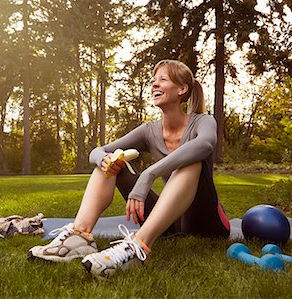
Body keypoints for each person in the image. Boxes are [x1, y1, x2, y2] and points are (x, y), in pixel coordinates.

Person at [27, 59, 231, 279]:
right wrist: (104, 159)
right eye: (153, 81)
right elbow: (97, 151)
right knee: (111, 161)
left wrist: (149, 174)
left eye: (162, 80)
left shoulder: (203, 121)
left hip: (204, 220)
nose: (154, 85)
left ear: (182, 89)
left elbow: (205, 145)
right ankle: (80, 236)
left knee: (192, 161)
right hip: (169, 221)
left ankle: (138, 248)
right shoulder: (149, 130)